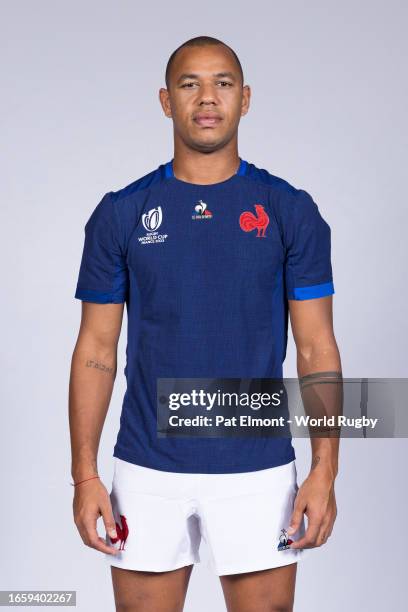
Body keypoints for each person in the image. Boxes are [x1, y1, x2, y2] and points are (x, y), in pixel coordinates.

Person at [69, 35, 341, 612]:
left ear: (245, 98)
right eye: (190, 84)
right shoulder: (121, 213)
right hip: (147, 466)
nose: (208, 98)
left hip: (257, 468)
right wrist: (85, 476)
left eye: (221, 84)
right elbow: (96, 349)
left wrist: (324, 471)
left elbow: (316, 349)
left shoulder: (290, 211)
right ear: (166, 101)